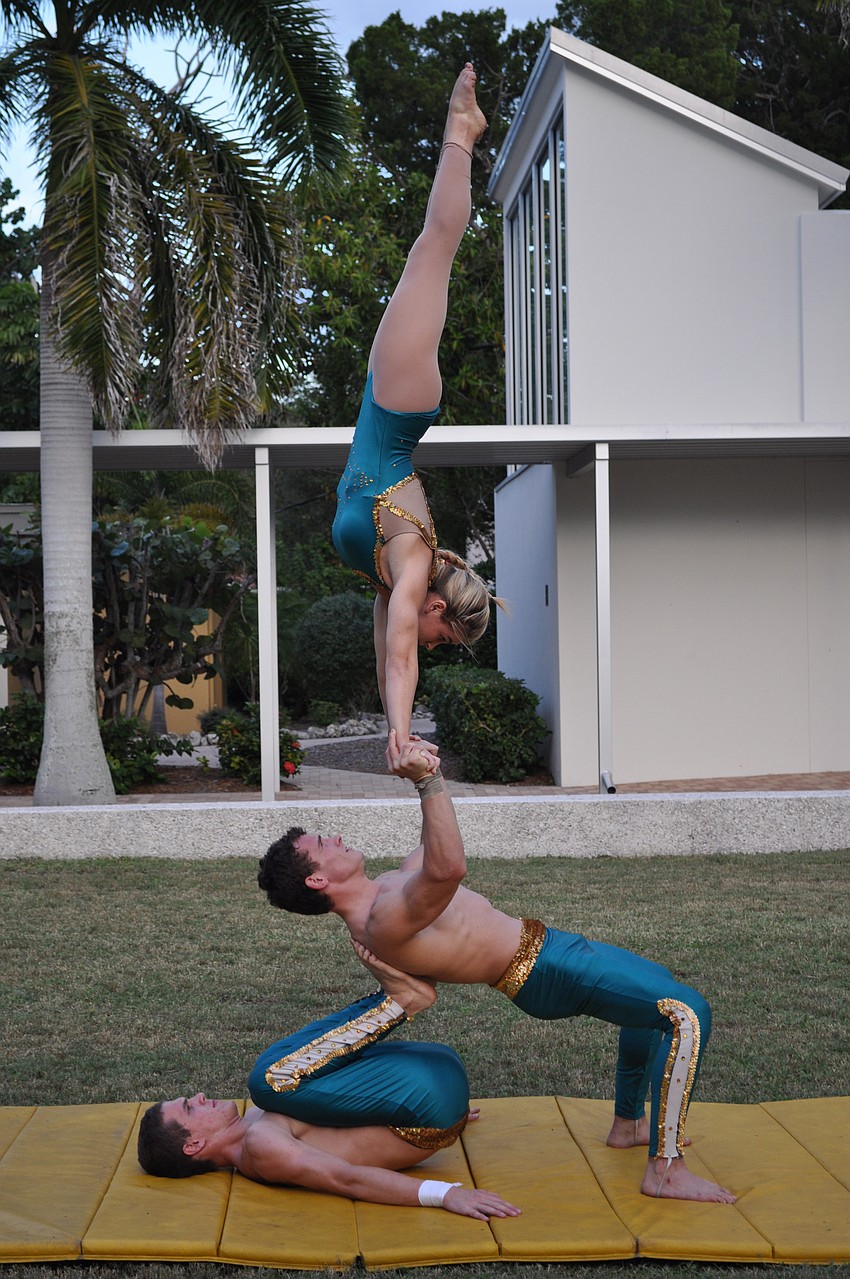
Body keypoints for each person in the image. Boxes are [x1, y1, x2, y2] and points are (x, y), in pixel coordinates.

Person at [257, 733, 737, 1206]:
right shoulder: (380, 922)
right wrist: (429, 781)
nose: (336, 837)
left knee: (660, 995)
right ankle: (666, 1169)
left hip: (549, 948)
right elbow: (447, 870)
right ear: (317, 878)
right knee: (686, 1013)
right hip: (543, 971)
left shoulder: (385, 889)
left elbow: (431, 849)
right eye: (323, 842)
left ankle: (629, 1125)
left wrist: (417, 761)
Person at [331, 63, 505, 759]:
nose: (433, 644)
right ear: (438, 607)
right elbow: (405, 655)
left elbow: (387, 659)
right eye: (445, 636)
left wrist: (396, 736)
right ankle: (461, 132)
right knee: (434, 249)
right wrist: (403, 731)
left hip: (386, 399)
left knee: (425, 254)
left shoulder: (392, 577)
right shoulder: (410, 560)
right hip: (400, 409)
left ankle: (461, 133)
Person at [137, 946, 520, 1221]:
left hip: (430, 1096)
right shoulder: (260, 1148)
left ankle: (399, 996)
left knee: (291, 1078)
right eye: (190, 1107)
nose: (200, 1096)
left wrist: (444, 1113)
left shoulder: (254, 1124)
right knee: (268, 1079)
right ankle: (397, 999)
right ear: (194, 1145)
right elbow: (347, 1179)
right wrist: (446, 1195)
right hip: (428, 1108)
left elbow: (337, 1109)